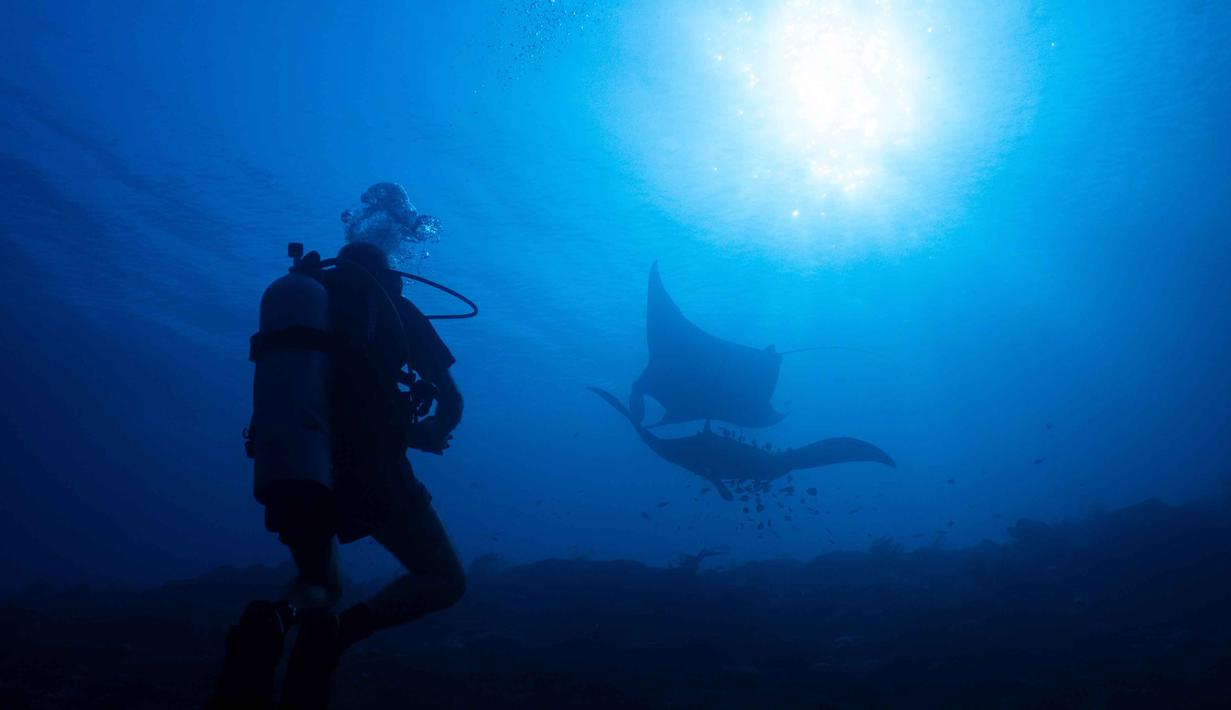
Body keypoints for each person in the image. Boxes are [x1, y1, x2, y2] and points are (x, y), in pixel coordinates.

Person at [211, 184, 466, 709]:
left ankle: (274, 619)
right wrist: (428, 432)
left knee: (318, 582)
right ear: (389, 269)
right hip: (372, 470)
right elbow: (450, 399)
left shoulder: (303, 297)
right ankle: (340, 637)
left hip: (288, 460)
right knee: (442, 578)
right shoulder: (395, 307)